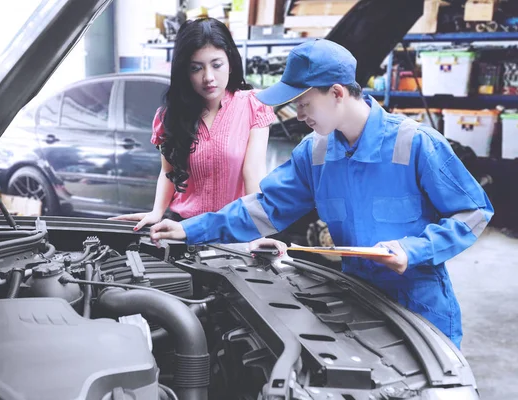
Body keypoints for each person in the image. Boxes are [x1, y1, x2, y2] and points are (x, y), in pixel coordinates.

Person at [148, 39, 494, 349]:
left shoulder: (416, 143)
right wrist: (191, 229)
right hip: (357, 301)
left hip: (420, 308)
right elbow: (265, 208)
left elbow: (474, 211)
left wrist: (414, 249)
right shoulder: (313, 154)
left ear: (337, 93)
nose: (298, 116)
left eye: (304, 104)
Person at [111, 17, 286, 252]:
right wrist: (157, 211)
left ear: (231, 64)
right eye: (196, 68)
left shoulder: (254, 105)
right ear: (185, 71)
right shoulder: (169, 116)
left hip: (233, 235)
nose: (208, 77)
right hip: (183, 231)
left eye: (216, 64)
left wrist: (257, 233)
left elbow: (253, 173)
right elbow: (168, 172)